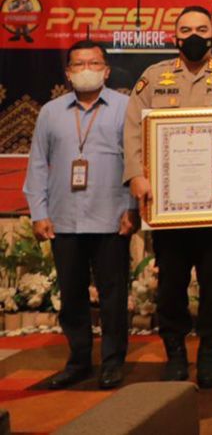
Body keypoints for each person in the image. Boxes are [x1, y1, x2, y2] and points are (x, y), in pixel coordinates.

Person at [123, 5, 212, 389]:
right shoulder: (153, 77)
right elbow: (132, 129)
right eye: (186, 30)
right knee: (171, 285)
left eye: (202, 29)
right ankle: (175, 353)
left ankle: (209, 354)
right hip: (168, 207)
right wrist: (136, 175)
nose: (194, 36)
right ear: (175, 37)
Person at [24, 40, 134, 390]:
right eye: (79, 64)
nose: (87, 69)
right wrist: (39, 212)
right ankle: (79, 360)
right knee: (72, 295)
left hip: (111, 217)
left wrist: (132, 208)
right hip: (64, 218)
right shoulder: (50, 112)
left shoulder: (126, 108)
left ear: (106, 70)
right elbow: (37, 164)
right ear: (68, 72)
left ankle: (113, 363)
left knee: (113, 295)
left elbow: (137, 162)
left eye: (94, 63)